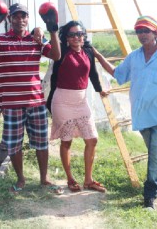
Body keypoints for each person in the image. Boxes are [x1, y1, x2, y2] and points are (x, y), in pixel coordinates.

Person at [95, 16, 157, 209]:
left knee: (154, 153)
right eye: (138, 31)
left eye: (146, 31)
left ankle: (149, 196)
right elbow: (117, 73)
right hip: (141, 115)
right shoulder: (134, 57)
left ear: (155, 32)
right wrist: (97, 55)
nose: (142, 35)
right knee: (154, 152)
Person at [0, 0, 62, 194]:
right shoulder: (0, 40)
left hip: (36, 101)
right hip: (11, 103)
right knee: (14, 144)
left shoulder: (36, 40)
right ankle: (21, 179)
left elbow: (57, 56)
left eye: (23, 15)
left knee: (41, 142)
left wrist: (52, 29)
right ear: (8, 19)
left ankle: (44, 178)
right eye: (15, 16)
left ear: (28, 19)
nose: (19, 19)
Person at [48, 20, 107, 193]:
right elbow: (49, 49)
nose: (76, 37)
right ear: (66, 38)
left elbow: (93, 73)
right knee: (66, 141)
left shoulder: (88, 51)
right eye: (72, 34)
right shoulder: (62, 51)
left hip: (81, 101)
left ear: (84, 36)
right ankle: (70, 179)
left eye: (80, 34)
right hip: (62, 100)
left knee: (92, 139)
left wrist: (99, 89)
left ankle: (88, 180)